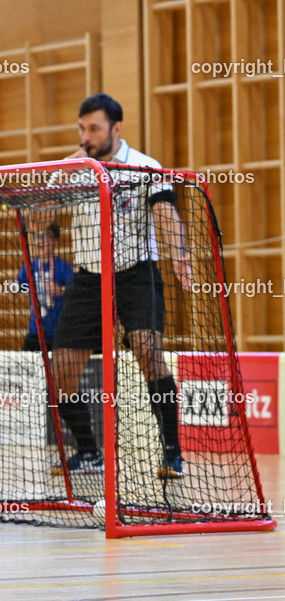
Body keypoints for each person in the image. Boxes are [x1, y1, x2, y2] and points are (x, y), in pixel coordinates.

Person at [49, 93, 194, 479]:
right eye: (82, 128)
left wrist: (179, 256)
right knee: (60, 370)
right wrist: (60, 176)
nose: (86, 136)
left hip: (135, 273)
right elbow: (38, 216)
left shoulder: (146, 168)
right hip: (88, 277)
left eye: (93, 128)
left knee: (149, 352)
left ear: (116, 129)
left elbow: (166, 214)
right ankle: (89, 451)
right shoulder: (74, 168)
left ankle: (172, 453)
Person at [16, 222, 73, 352]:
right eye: (37, 236)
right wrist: (11, 288)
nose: (39, 241)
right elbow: (18, 286)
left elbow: (74, 292)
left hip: (59, 332)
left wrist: (60, 291)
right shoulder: (30, 267)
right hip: (36, 331)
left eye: (45, 236)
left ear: (55, 241)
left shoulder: (63, 267)